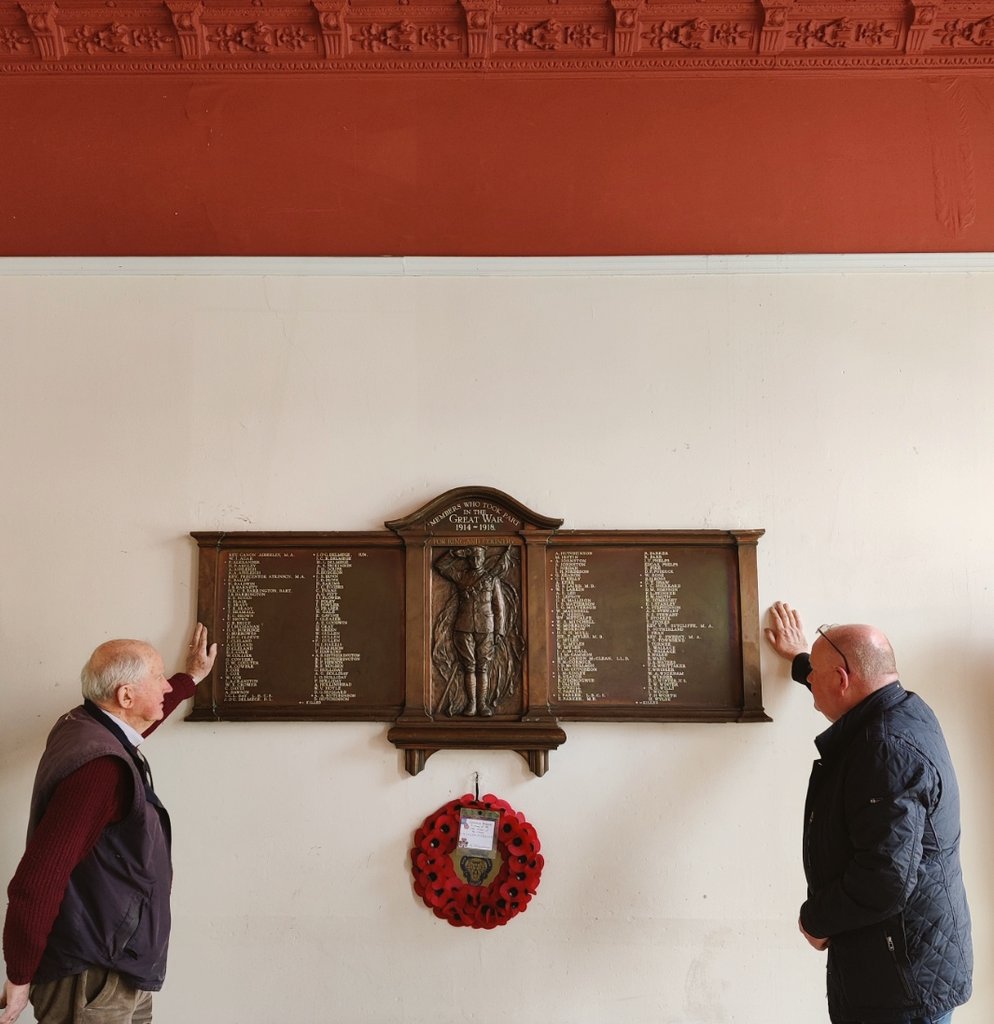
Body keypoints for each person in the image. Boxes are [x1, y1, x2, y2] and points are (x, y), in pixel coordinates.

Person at [765, 601, 972, 1024]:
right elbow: (845, 680)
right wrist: (802, 659)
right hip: (909, 962)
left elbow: (885, 878)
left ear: (842, 679)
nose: (812, 684)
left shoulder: (884, 750)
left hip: (899, 982)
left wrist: (815, 920)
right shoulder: (904, 709)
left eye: (817, 677)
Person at [0, 623, 217, 1024]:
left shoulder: (84, 725)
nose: (166, 687)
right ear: (125, 695)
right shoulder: (99, 769)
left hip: (119, 964)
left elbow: (136, 725)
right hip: (92, 974)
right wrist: (19, 974)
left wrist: (190, 680)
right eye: (158, 678)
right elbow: (38, 878)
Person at [432, 546, 520, 717]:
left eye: (478, 557)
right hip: (463, 627)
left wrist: (499, 631)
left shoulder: (492, 580)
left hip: (486, 628)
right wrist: (454, 553)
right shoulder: (462, 577)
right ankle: (471, 704)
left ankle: (482, 704)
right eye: (471, 558)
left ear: (482, 558)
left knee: (483, 668)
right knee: (469, 667)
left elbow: (499, 607)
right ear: (468, 559)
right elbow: (440, 566)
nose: (475, 561)